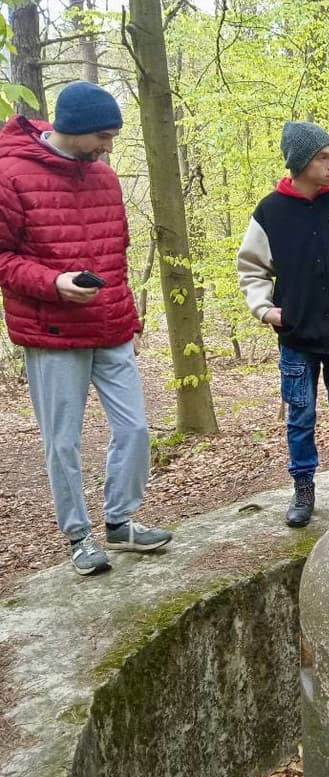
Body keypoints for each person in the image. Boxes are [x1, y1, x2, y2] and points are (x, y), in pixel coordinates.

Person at [0, 81, 172, 576]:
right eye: (103, 136)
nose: (108, 147)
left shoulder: (104, 178)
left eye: (113, 137)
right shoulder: (10, 174)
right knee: (64, 441)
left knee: (135, 427)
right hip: (51, 331)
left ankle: (120, 522)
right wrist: (54, 283)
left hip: (110, 327)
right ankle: (79, 535)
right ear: (71, 128)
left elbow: (116, 255)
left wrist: (128, 318)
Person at [238, 121, 329, 527]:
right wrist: (267, 310)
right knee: (300, 418)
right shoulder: (271, 211)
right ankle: (303, 490)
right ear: (300, 162)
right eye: (323, 157)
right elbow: (251, 269)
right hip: (297, 339)